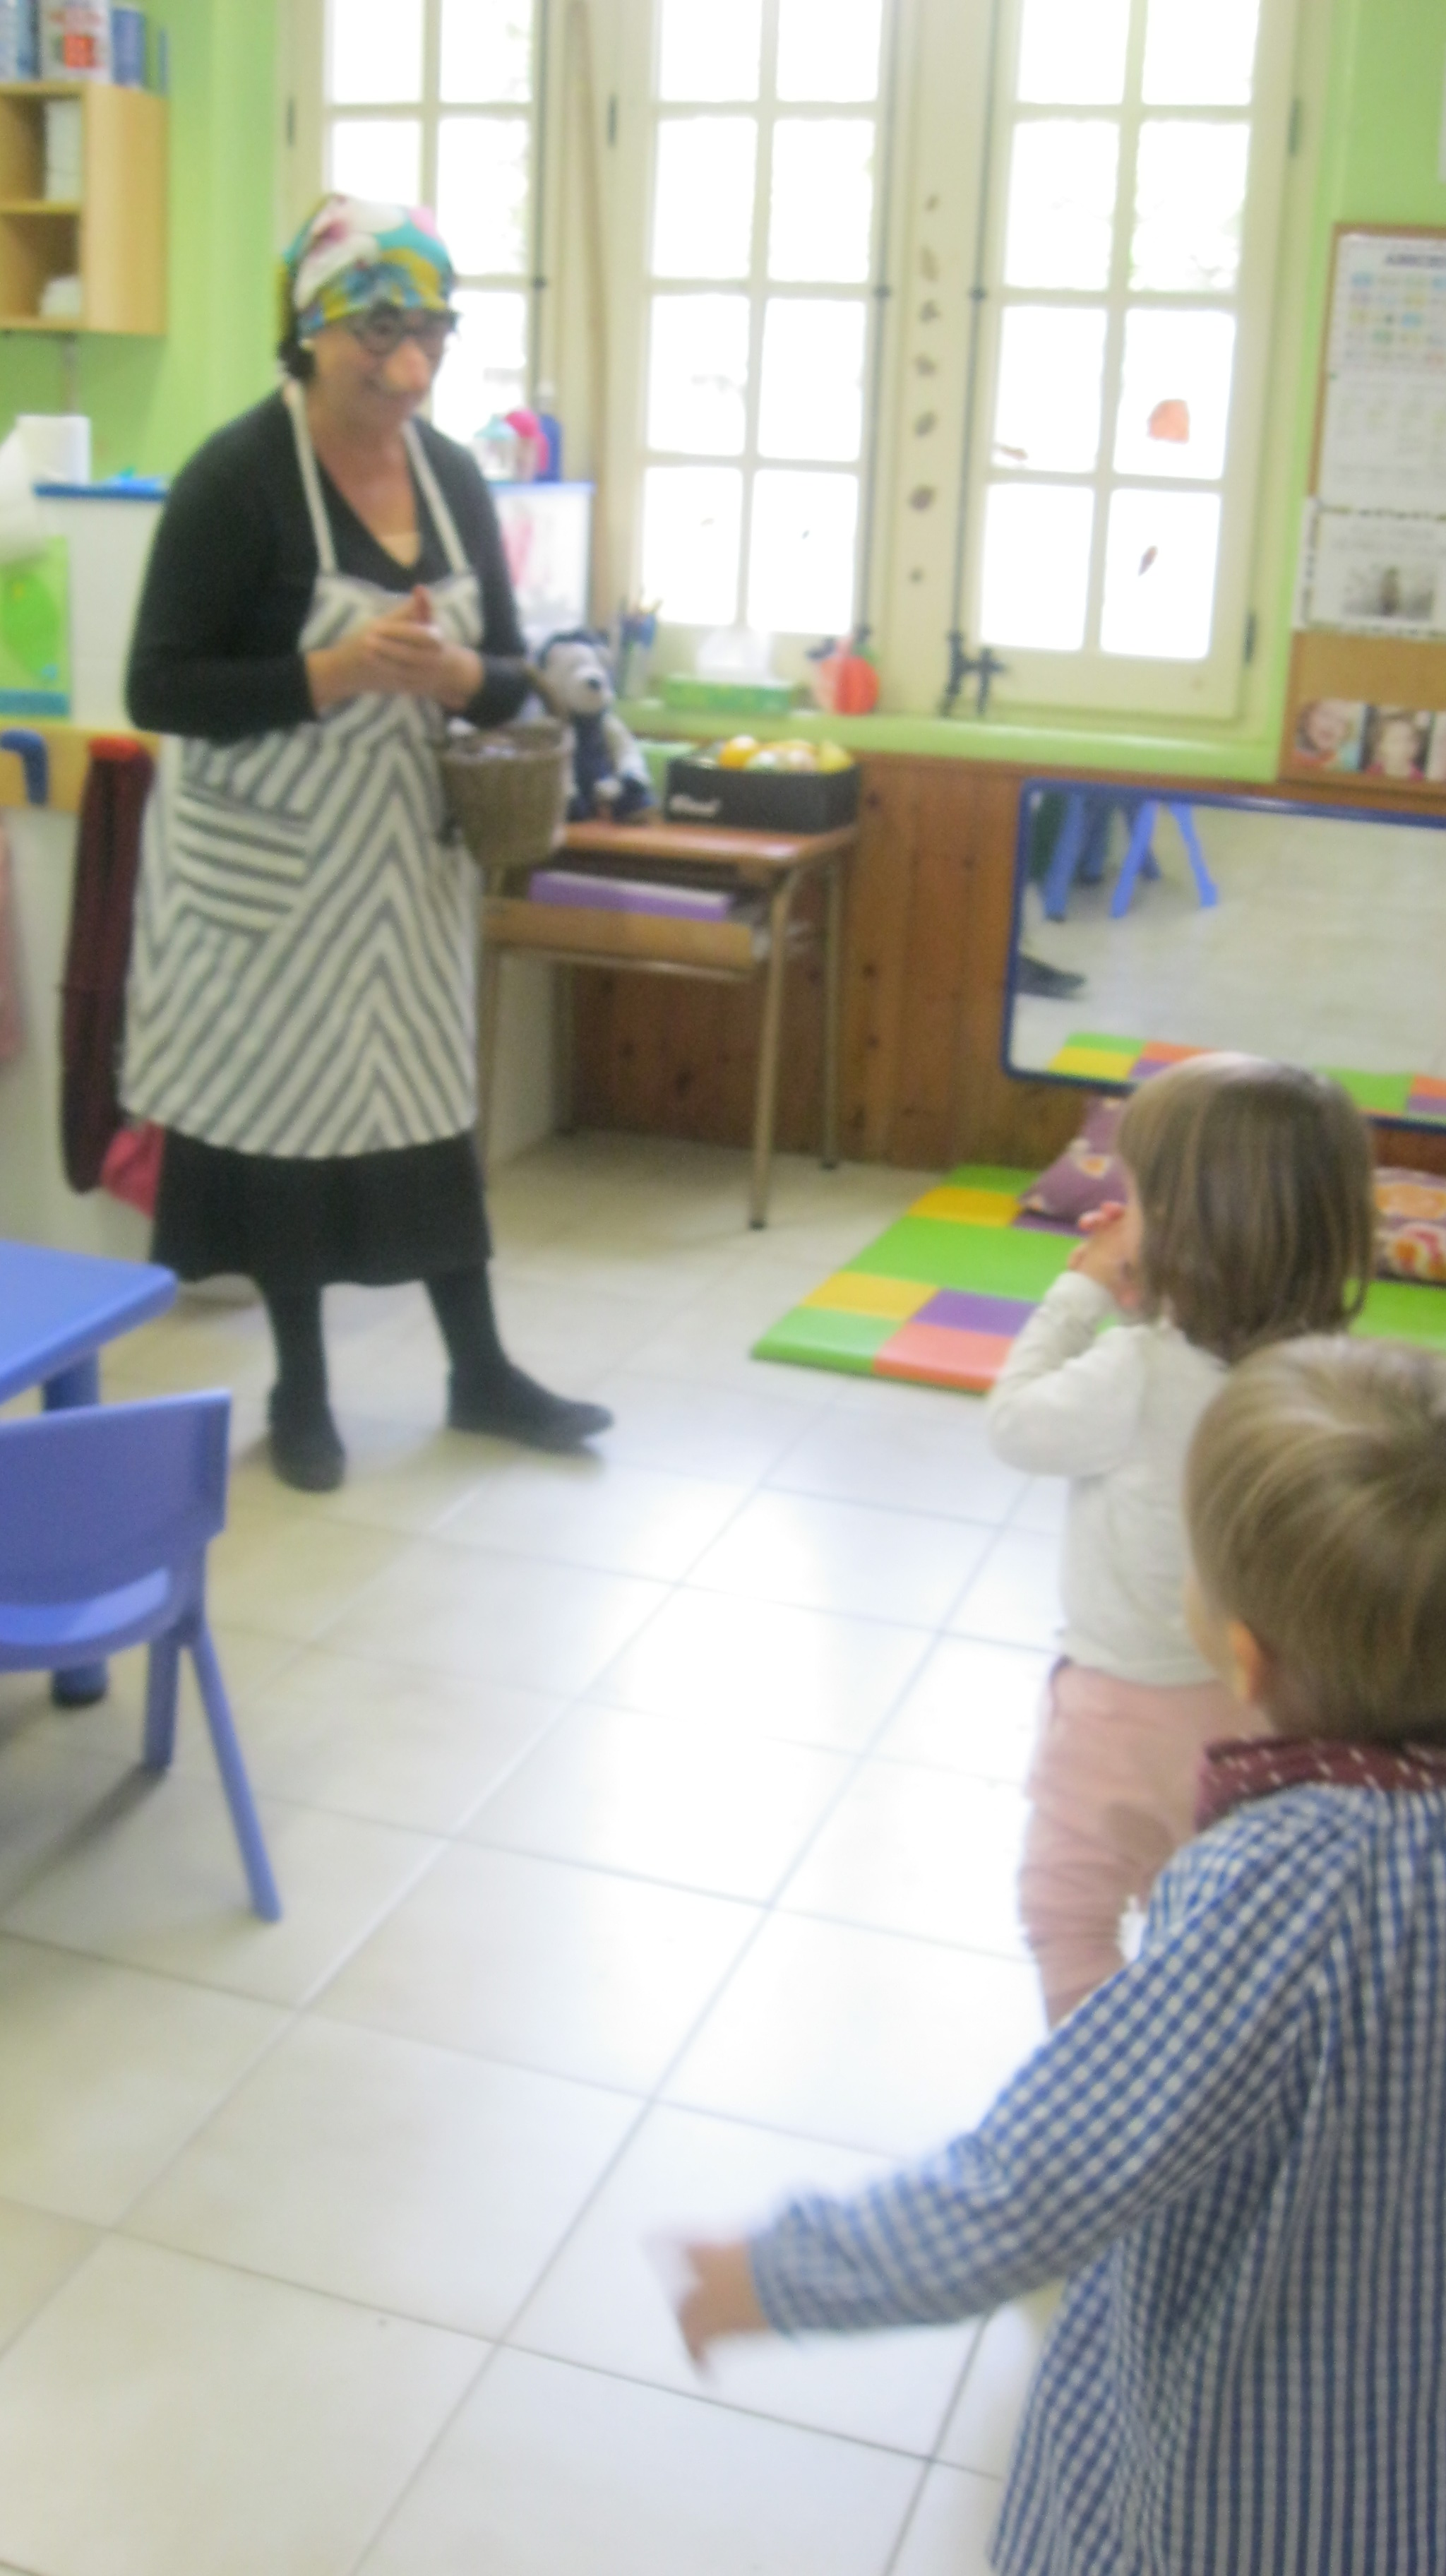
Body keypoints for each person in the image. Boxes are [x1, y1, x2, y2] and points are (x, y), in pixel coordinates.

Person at [671, 1336, 1446, 2575]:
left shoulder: (1282, 1891)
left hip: (1253, 2480)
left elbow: (1034, 2182)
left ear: (1240, 1654)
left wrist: (784, 2274)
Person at [123, 193, 611, 1491]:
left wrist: (457, 674)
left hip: (404, 870)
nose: (408, 368)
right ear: (312, 331)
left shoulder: (450, 476)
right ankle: (303, 1392)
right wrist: (333, 671)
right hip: (267, 880)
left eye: (431, 333)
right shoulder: (236, 480)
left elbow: (507, 680)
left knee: (426, 1120)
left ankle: (481, 1371)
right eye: (378, 334)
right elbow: (158, 687)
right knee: (289, 1128)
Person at [986, 1054, 1375, 2024]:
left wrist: (1079, 1294)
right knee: (1202, 1914)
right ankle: (1188, 2054)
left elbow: (1017, 1424)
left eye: (1141, 1196)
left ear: (1187, 1230)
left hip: (1121, 1707)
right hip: (1273, 1709)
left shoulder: (1134, 1372)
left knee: (1067, 1910)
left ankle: (1096, 2078)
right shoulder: (1332, 1377)